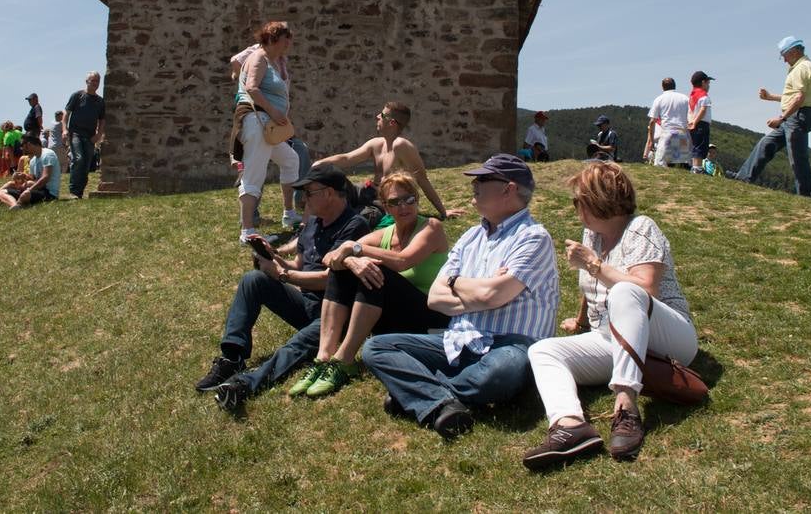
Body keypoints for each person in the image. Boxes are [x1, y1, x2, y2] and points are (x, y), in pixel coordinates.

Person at [361, 153, 559, 440]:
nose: (474, 185)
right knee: (377, 349)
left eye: (483, 180)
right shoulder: (470, 237)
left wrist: (465, 286)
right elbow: (437, 299)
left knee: (501, 371)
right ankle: (440, 399)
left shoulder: (533, 237)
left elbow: (493, 294)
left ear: (509, 188)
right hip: (459, 341)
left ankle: (420, 394)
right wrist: (476, 287)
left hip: (511, 345)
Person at [522, 161, 697, 468]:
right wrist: (579, 321)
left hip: (669, 336)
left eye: (580, 200)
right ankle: (570, 425)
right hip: (613, 338)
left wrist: (594, 265)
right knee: (543, 350)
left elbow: (646, 289)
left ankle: (626, 405)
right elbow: (592, 290)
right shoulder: (592, 237)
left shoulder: (641, 228)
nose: (576, 207)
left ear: (599, 200)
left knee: (626, 292)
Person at [194, 164, 370, 412]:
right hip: (304, 303)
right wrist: (272, 257)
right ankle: (233, 357)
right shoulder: (314, 223)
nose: (304, 199)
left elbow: (329, 278)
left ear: (329, 193)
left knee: (294, 346)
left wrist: (284, 276)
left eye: (309, 193)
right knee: (252, 280)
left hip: (333, 315)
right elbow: (299, 264)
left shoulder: (354, 226)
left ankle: (244, 385)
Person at [288, 172, 450, 399]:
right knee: (344, 268)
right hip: (394, 317)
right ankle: (324, 358)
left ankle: (344, 360)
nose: (404, 206)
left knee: (375, 269)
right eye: (395, 202)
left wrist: (355, 250)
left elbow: (403, 261)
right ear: (385, 206)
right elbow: (330, 259)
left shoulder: (431, 227)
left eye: (409, 199)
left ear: (417, 200)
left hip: (430, 318)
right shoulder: (384, 234)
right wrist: (351, 260)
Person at [312, 101, 464, 223]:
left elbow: (422, 179)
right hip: (366, 192)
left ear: (392, 123)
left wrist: (443, 211)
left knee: (353, 220)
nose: (377, 116)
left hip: (382, 202)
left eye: (382, 115)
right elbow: (347, 158)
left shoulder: (402, 146)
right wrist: (320, 165)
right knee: (330, 178)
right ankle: (309, 221)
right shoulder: (376, 143)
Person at [229, 22, 300, 241]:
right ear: (272, 38)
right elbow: (251, 87)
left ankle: (289, 214)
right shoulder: (259, 57)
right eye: (286, 38)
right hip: (256, 121)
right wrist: (274, 112)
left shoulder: (275, 61)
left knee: (291, 160)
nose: (289, 42)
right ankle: (248, 232)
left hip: (267, 124)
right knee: (253, 175)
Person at [734, 36, 811, 197]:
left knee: (797, 157)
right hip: (797, 115)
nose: (784, 60)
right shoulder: (806, 66)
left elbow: (799, 98)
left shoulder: (801, 69)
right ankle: (743, 177)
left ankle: (807, 195)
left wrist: (781, 118)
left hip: (796, 116)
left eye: (784, 55)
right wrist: (770, 97)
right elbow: (794, 96)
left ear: (794, 52)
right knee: (766, 144)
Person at [0, 132, 60, 216]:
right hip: (36, 190)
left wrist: (29, 190)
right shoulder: (33, 160)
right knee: (1, 192)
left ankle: (16, 203)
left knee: (26, 188)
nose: (21, 148)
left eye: (22, 145)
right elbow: (33, 178)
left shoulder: (48, 154)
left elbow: (45, 177)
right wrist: (23, 176)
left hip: (48, 194)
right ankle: (15, 206)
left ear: (28, 144)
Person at [64, 71, 106, 200]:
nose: (95, 83)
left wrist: (99, 134)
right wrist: (64, 130)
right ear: (87, 81)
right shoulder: (77, 96)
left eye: (97, 81)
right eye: (92, 80)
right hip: (75, 133)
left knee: (87, 163)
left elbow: (102, 120)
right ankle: (74, 191)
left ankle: (79, 192)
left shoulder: (100, 101)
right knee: (79, 159)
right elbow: (67, 114)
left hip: (90, 136)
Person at [644, 78, 691, 168]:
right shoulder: (685, 98)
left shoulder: (659, 99)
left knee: (660, 165)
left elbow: (652, 121)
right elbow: (690, 117)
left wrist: (651, 140)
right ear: (675, 85)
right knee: (681, 166)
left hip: (667, 133)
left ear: (662, 87)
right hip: (682, 132)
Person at [687, 71, 716, 173]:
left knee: (696, 145)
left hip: (693, 123)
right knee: (701, 146)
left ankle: (695, 166)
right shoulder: (704, 96)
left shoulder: (692, 95)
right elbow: (703, 110)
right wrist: (695, 122)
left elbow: (691, 111)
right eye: (708, 83)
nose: (709, 86)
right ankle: (698, 168)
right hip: (701, 124)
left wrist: (691, 122)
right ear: (703, 82)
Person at [46, 110, 66, 190]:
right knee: (64, 163)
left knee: (54, 163)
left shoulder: (51, 123)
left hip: (50, 146)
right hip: (58, 145)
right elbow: (64, 134)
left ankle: (54, 175)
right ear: (60, 116)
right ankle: (63, 176)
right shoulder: (61, 124)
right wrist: (65, 144)